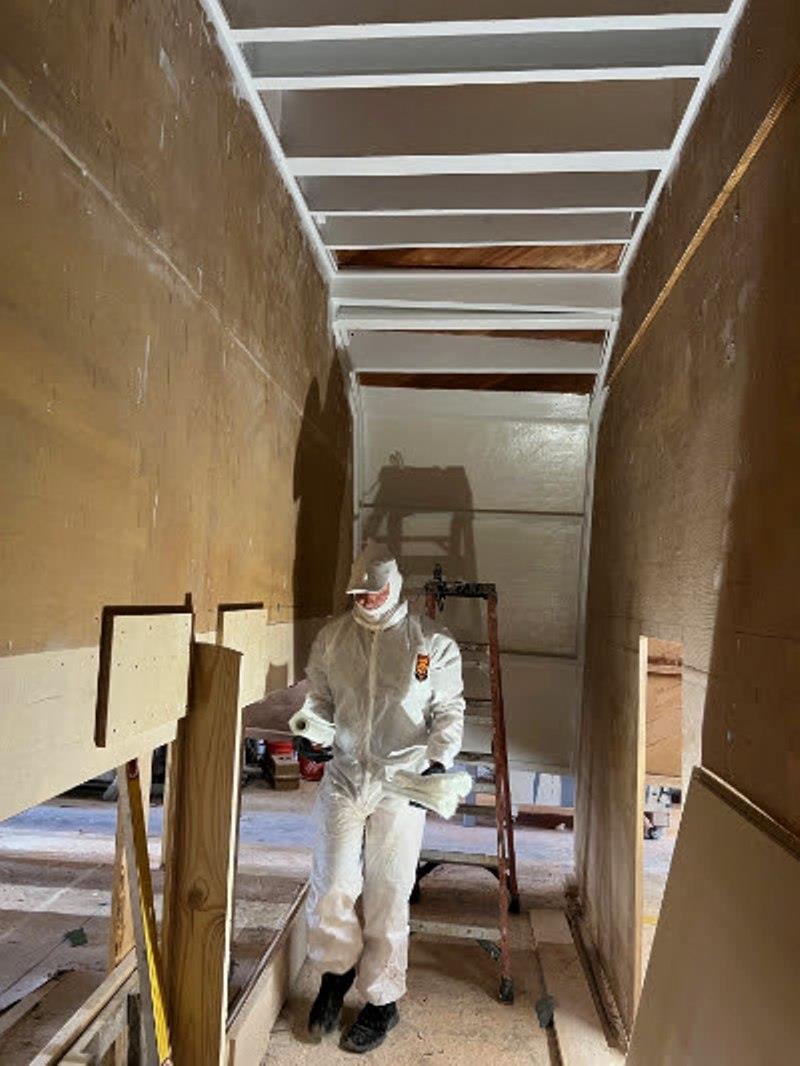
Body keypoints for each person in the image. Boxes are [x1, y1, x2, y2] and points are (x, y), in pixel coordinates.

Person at [295, 542, 465, 1054]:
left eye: (375, 593)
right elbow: (319, 699)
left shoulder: (431, 644)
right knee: (333, 885)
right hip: (345, 776)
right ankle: (333, 980)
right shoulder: (333, 638)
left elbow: (449, 709)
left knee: (389, 893)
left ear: (394, 587)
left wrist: (438, 761)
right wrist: (312, 733)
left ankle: (382, 1001)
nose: (367, 602)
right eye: (360, 595)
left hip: (400, 783)